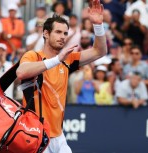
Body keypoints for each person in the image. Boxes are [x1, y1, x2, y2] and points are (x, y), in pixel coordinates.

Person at [16, 0, 106, 152]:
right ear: (45, 33)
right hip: (36, 136)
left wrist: (98, 25)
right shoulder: (33, 55)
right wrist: (57, 60)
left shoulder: (68, 59)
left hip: (59, 136)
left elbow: (99, 51)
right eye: (58, 32)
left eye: (65, 33)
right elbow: (21, 72)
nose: (63, 36)